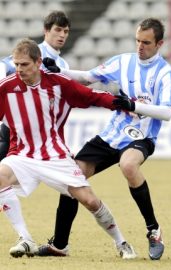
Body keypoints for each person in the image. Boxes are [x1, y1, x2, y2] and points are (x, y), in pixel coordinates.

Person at [41, 17, 171, 260]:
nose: (140, 46)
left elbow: (167, 112)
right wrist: (59, 71)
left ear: (159, 44)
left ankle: (153, 231)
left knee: (128, 164)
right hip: (112, 134)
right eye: (137, 40)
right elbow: (87, 76)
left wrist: (134, 105)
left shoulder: (165, 73)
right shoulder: (123, 62)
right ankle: (60, 245)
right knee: (71, 177)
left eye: (146, 42)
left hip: (142, 135)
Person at [0, 38, 138, 259]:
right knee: (0, 177)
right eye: (16, 64)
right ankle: (25, 238)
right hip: (22, 154)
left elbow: (91, 96)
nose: (19, 69)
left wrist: (119, 104)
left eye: (24, 64)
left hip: (55, 155)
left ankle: (122, 243)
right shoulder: (5, 88)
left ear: (37, 62)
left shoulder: (57, 83)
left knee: (90, 200)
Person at [0, 10, 79, 256]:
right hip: (16, 133)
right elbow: (5, 67)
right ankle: (28, 238)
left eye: (65, 31)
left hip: (44, 138)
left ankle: (57, 242)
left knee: (73, 187)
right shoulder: (32, 54)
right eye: (57, 30)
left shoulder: (62, 65)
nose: (62, 35)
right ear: (46, 31)